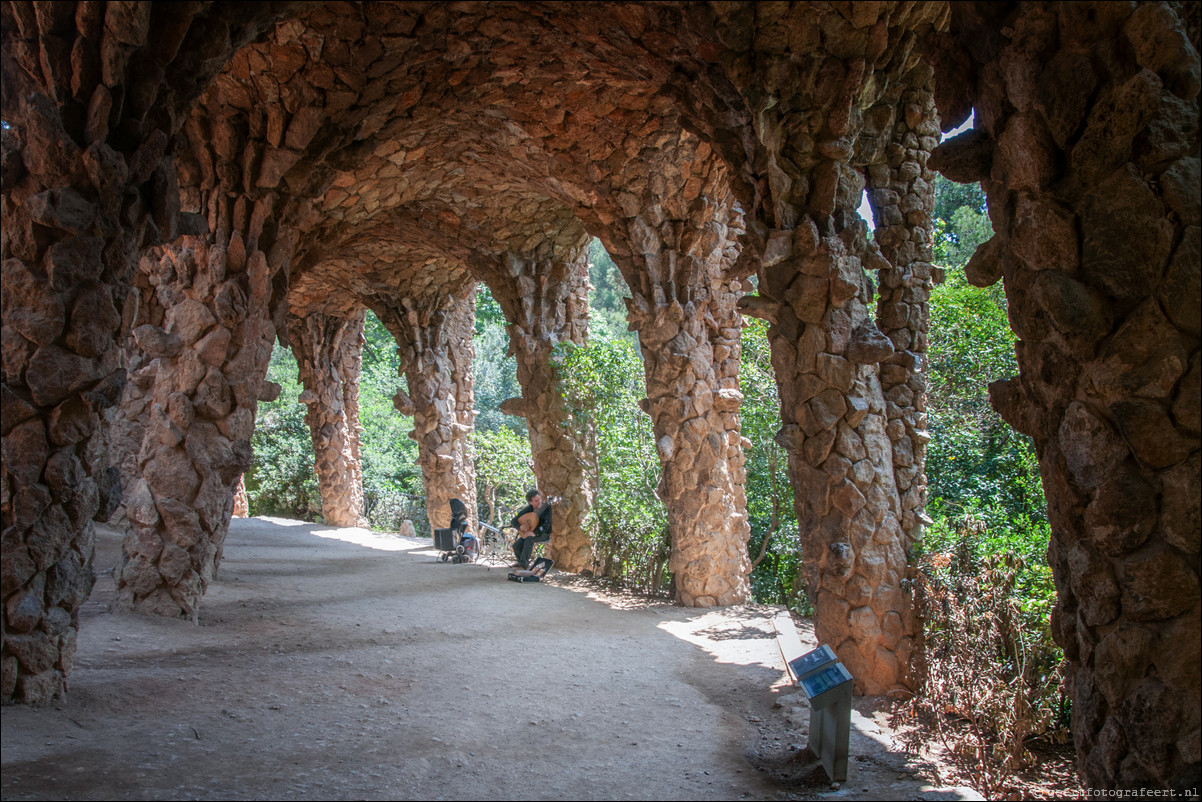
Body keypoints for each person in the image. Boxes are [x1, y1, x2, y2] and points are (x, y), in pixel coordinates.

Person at [510, 488, 551, 569]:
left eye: (539, 499)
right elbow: (513, 521)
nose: (539, 502)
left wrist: (535, 533)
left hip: (543, 534)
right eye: (536, 501)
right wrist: (520, 527)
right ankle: (521, 562)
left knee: (529, 539)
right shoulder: (528, 509)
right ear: (530, 502)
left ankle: (523, 565)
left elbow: (547, 525)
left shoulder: (546, 509)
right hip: (530, 533)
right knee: (516, 545)